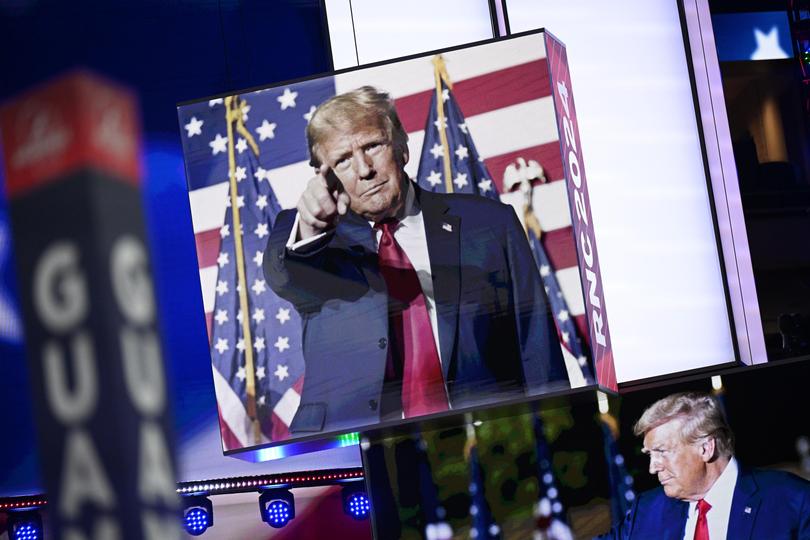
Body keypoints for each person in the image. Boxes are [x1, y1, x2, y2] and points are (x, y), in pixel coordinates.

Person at [264, 86, 567, 434]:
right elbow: (284, 276)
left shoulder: (490, 225)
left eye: (372, 146)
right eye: (342, 160)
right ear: (323, 175)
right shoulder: (307, 239)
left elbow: (537, 348)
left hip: (486, 440)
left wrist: (555, 436)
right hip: (353, 450)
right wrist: (311, 226)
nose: (364, 170)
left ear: (402, 147)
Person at [599, 392, 810, 539]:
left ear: (706, 448)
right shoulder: (648, 510)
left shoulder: (792, 500)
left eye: (662, 452)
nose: (653, 468)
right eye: (650, 455)